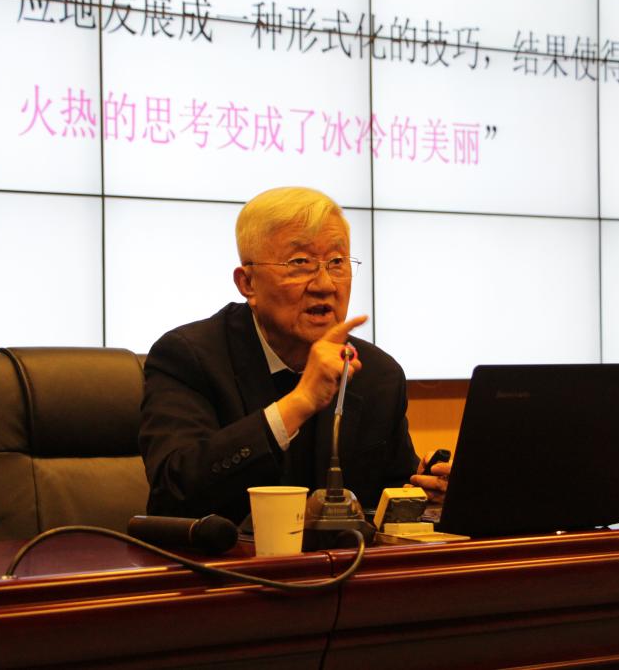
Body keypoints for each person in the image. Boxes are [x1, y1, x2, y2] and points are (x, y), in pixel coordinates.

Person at [138, 186, 448, 524]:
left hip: (346, 558)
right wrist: (299, 402)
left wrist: (429, 493)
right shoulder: (188, 358)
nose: (325, 284)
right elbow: (174, 493)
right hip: (230, 558)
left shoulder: (376, 373)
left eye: (337, 262)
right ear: (248, 283)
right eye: (300, 263)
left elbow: (390, 497)